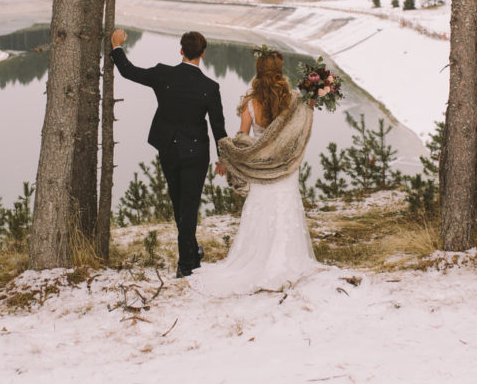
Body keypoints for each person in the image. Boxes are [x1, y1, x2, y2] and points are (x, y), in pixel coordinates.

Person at [191, 46, 321, 296]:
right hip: (285, 167)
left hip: (261, 169)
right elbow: (300, 125)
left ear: (259, 71)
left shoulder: (250, 102)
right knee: (285, 209)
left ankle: (258, 260)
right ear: (279, 70)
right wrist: (312, 102)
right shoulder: (293, 99)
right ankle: (288, 262)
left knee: (261, 210)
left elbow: (242, 140)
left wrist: (228, 160)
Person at [109, 28, 227, 278]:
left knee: (179, 203)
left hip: (169, 148)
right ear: (202, 54)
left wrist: (117, 46)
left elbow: (129, 72)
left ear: (181, 51)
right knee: (188, 206)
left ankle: (190, 258)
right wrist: (223, 159)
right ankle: (187, 262)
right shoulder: (210, 86)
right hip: (196, 152)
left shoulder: (164, 74)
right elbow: (219, 127)